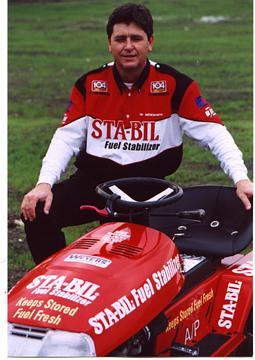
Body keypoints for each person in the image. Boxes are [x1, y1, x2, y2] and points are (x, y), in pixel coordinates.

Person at [21, 3, 253, 264]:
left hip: (151, 189)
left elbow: (215, 134)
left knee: (132, 255)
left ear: (150, 42)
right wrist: (44, 184)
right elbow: (65, 138)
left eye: (136, 38)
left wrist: (241, 178)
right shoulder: (89, 84)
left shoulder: (175, 84)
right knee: (39, 210)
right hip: (96, 185)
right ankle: (55, 285)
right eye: (120, 39)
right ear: (109, 43)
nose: (128, 46)